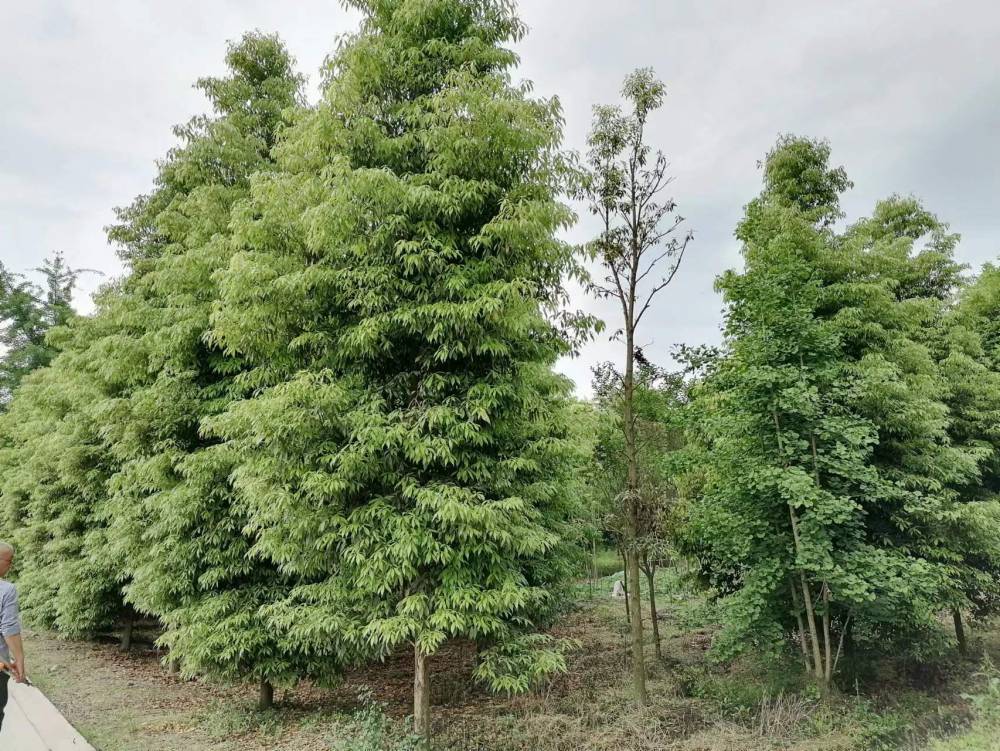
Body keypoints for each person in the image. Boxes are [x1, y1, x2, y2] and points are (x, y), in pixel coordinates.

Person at [0, 540, 25, 732]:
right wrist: (19, 659)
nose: (11, 566)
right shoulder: (6, 590)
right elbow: (8, 627)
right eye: (9, 561)